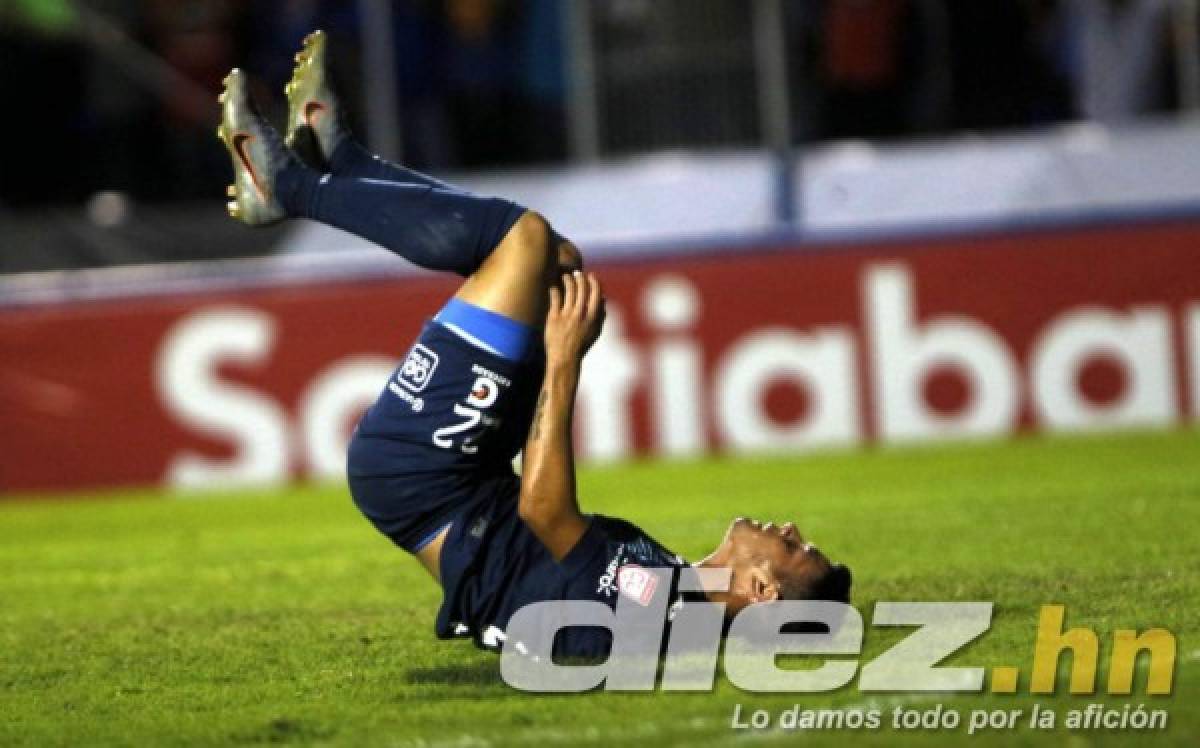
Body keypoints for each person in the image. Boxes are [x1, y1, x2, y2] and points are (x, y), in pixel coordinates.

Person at [216, 31, 851, 659]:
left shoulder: (665, 606)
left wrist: (563, 360)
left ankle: (291, 187)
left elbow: (545, 512)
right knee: (558, 264)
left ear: (763, 590)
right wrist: (550, 355)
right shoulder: (678, 594)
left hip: (424, 479)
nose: (790, 531)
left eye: (796, 548)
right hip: (460, 482)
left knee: (522, 240)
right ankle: (344, 161)